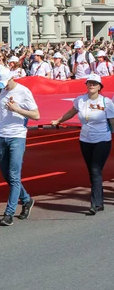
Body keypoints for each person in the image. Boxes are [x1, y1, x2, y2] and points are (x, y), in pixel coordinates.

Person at [0, 68, 40, 226]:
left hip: (17, 137)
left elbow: (36, 115)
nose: (4, 87)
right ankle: (27, 199)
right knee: (6, 175)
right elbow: (1, 113)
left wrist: (18, 109)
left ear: (12, 78)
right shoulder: (2, 90)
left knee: (14, 176)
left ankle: (9, 213)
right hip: (1, 136)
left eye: (5, 84)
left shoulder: (23, 92)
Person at [51, 74, 114, 215]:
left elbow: (112, 122)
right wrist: (58, 120)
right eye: (89, 83)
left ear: (99, 86)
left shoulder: (106, 102)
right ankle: (100, 202)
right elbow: (71, 112)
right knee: (92, 172)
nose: (91, 85)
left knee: (96, 170)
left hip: (102, 140)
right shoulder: (80, 100)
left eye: (94, 83)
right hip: (85, 140)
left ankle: (94, 204)